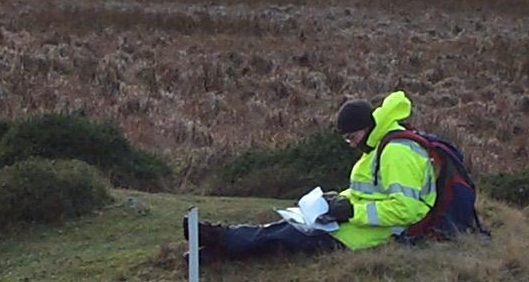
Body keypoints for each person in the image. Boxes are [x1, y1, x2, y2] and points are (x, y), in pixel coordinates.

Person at [188, 90, 439, 262]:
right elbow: (372, 191)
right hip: (365, 226)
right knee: (289, 227)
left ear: (368, 127)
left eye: (352, 137)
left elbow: (405, 209)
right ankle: (219, 243)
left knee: (289, 237)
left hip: (380, 232)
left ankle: (217, 240)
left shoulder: (396, 152)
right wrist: (338, 200)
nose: (351, 144)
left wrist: (351, 212)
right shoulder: (380, 145)